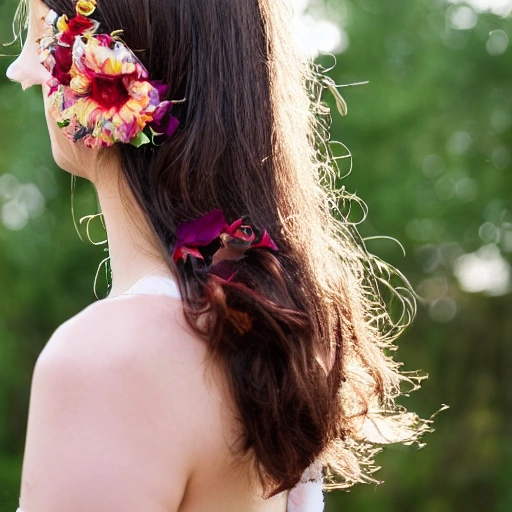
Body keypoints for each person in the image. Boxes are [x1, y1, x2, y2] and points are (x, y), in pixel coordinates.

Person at [6, 0, 430, 511]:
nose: (20, 69)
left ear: (99, 69)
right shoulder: (267, 336)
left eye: (40, 39)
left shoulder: (107, 363)